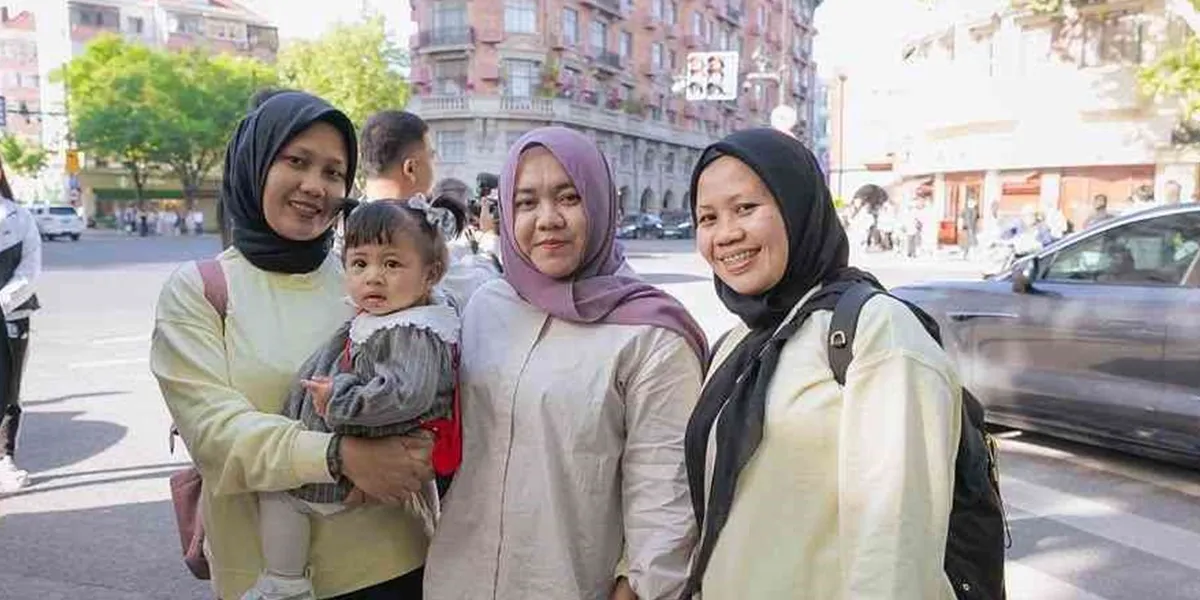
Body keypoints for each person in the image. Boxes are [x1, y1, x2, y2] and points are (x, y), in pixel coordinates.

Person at [151, 91, 436, 600]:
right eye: (297, 161)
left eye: (332, 172)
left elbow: (427, 377)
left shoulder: (365, 280)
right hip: (269, 576)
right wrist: (338, 456)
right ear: (256, 162)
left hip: (397, 562)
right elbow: (216, 433)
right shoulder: (201, 289)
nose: (314, 186)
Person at [424, 127, 707, 600]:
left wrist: (639, 587)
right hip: (459, 578)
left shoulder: (651, 334)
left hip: (569, 582)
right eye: (526, 202)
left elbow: (665, 505)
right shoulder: (485, 306)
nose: (548, 218)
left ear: (599, 203)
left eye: (568, 197)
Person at [683, 129, 962, 598]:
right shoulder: (737, 342)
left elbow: (896, 547)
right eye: (707, 218)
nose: (726, 233)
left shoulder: (877, 332)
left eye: (746, 208)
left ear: (797, 207)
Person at [243, 197, 465, 600]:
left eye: (392, 264)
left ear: (430, 274)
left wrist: (341, 400)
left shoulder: (413, 330)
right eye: (359, 264)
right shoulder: (386, 318)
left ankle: (285, 582)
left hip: (366, 449)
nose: (373, 277)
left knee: (281, 493)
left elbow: (405, 394)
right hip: (357, 446)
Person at [0, 155, 41, 494]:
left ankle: (4, 460)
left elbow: (29, 271)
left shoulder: (19, 217)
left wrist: (2, 300)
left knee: (8, 388)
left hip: (12, 315)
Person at [361, 110, 436, 201]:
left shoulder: (347, 213)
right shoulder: (438, 214)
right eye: (431, 157)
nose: (434, 164)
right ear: (410, 168)